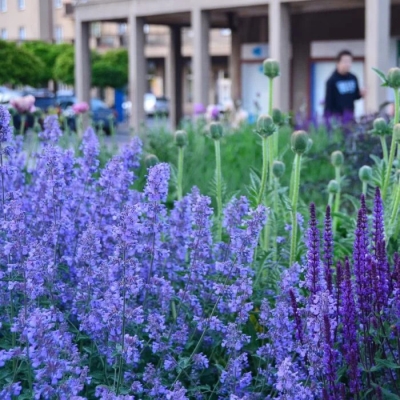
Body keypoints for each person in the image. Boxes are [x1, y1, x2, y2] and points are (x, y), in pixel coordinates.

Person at [324, 50, 365, 119]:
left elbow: (355, 96)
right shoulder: (332, 80)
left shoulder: (353, 78)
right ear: (338, 63)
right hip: (337, 118)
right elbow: (329, 103)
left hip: (350, 116)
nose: (348, 64)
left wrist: (361, 94)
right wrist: (327, 118)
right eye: (345, 62)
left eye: (350, 61)